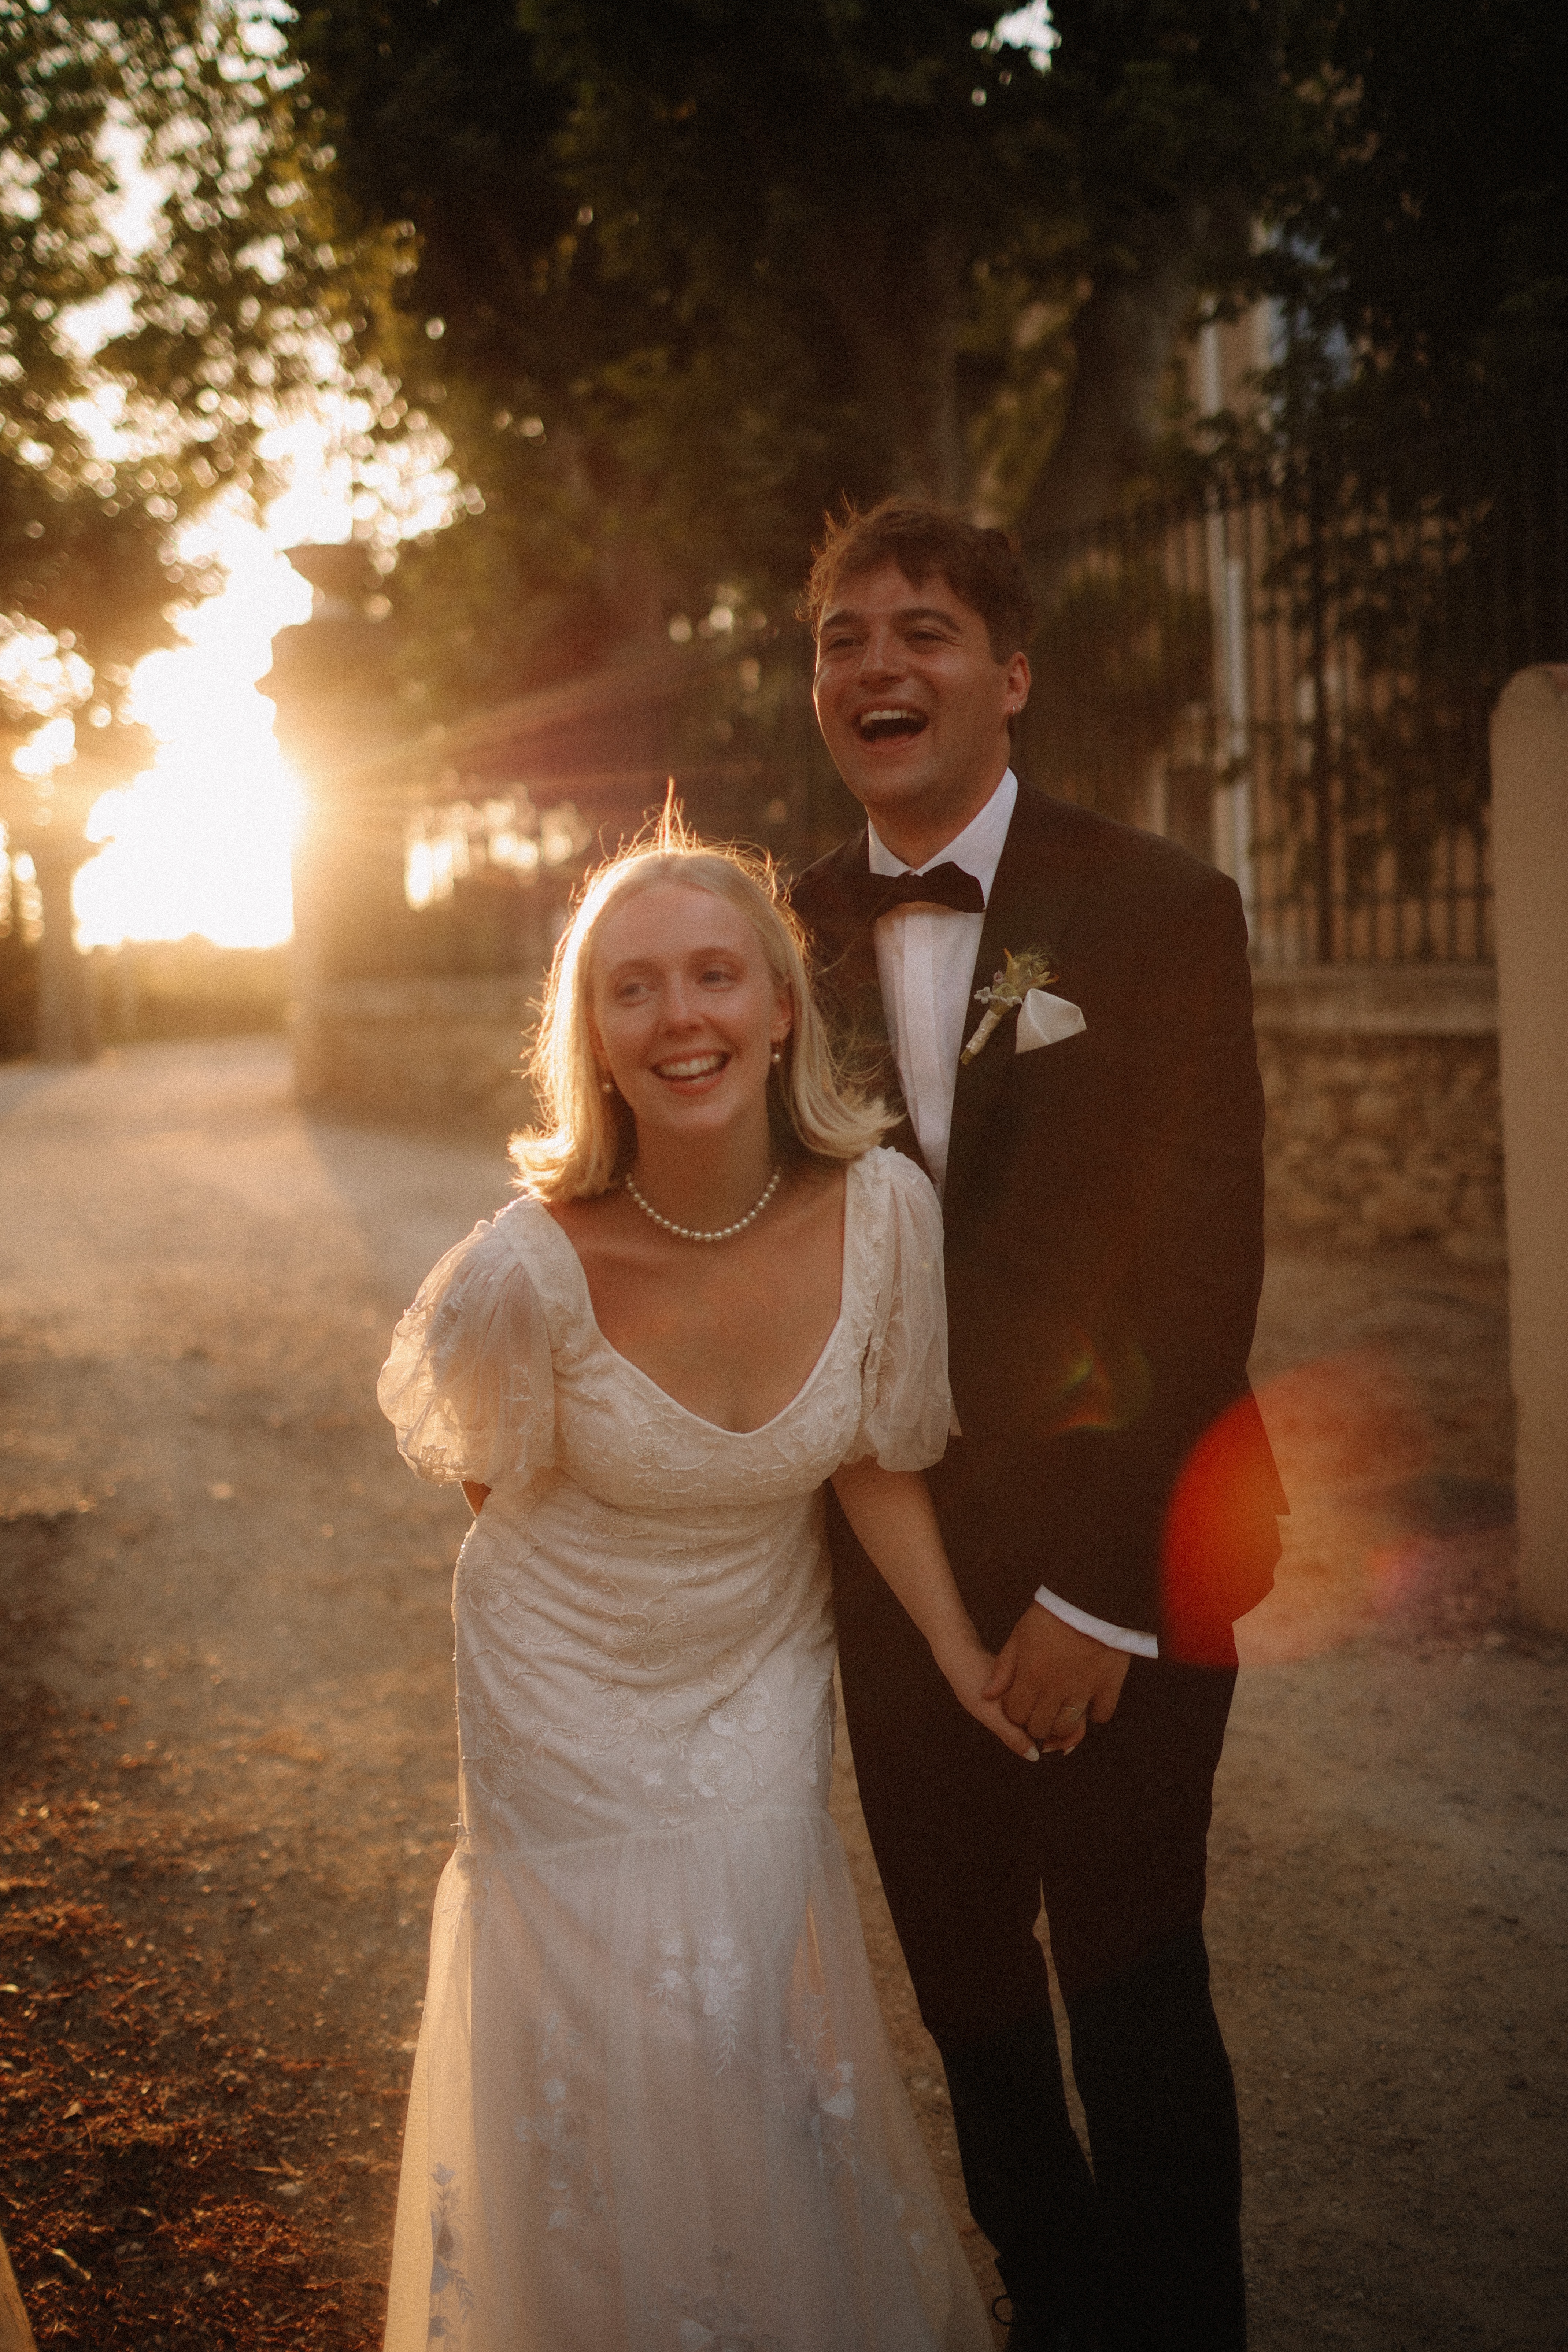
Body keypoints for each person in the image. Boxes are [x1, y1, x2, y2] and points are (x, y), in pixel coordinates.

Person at [376, 823, 1028, 2352]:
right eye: (632, 991)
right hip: (556, 1684)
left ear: (782, 1006)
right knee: (598, 2050)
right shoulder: (522, 1271)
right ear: (589, 1039)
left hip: (755, 1667)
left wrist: (950, 1649)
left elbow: (871, 1454)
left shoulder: (882, 1219)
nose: (680, 1021)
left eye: (715, 977)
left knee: (744, 2012)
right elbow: (497, 1486)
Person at [789, 500, 1289, 2352]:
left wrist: (1098, 1596)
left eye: (918, 631)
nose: (875, 666)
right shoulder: (769, 936)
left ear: (1008, 676)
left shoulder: (1159, 907)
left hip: (1129, 1556)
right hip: (889, 1573)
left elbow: (1198, 1266)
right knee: (969, 2002)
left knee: (1135, 1987)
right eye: (842, 638)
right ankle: (1054, 2308)